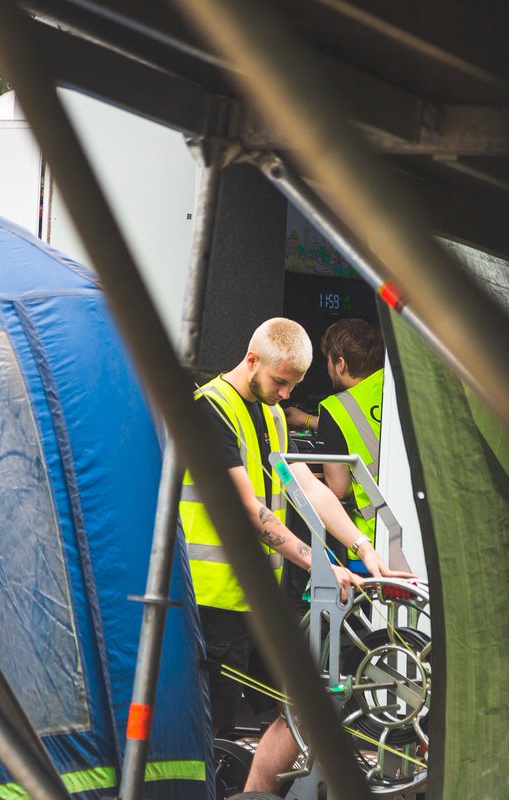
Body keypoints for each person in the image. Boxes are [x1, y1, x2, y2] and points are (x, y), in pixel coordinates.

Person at [180, 317, 411, 794]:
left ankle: (255, 794)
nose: (286, 394)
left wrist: (363, 547)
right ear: (252, 360)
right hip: (212, 603)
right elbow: (249, 510)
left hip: (259, 600)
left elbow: (309, 487)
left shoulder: (272, 414)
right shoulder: (210, 409)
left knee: (299, 706)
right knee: (212, 729)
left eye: (293, 386)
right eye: (281, 382)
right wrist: (319, 562)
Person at [285, 319, 385, 574]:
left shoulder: (336, 408)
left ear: (341, 363)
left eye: (328, 360)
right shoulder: (395, 389)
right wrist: (308, 420)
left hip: (371, 537)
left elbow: (338, 489)